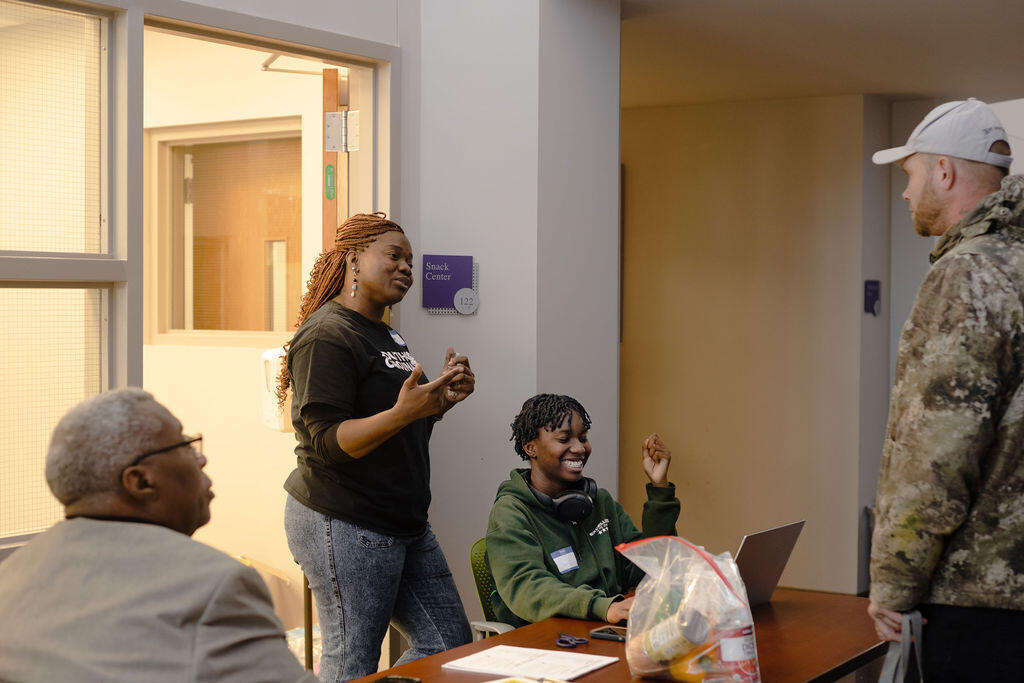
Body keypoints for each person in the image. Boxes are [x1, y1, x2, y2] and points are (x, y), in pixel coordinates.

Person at [0, 388, 315, 683]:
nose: (201, 458)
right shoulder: (214, 585)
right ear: (140, 481)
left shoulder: (12, 574)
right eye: (184, 445)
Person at [276, 212, 474, 681]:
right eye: (394, 255)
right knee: (352, 662)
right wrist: (406, 412)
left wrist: (436, 404)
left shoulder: (386, 334)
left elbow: (396, 425)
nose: (407, 267)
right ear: (353, 260)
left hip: (400, 519)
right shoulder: (328, 334)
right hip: (344, 519)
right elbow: (327, 442)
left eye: (411, 260)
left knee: (447, 644)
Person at [869, 98, 1024, 679]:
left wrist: (893, 582)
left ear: (945, 171)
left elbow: (935, 453)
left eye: (910, 174)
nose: (906, 193)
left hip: (976, 601)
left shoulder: (967, 274)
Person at [486, 393, 680, 627]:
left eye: (583, 437)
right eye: (564, 439)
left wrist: (660, 490)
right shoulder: (511, 512)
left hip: (603, 628)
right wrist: (603, 606)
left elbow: (650, 567)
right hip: (545, 640)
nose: (579, 448)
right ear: (530, 448)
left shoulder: (599, 501)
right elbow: (527, 587)